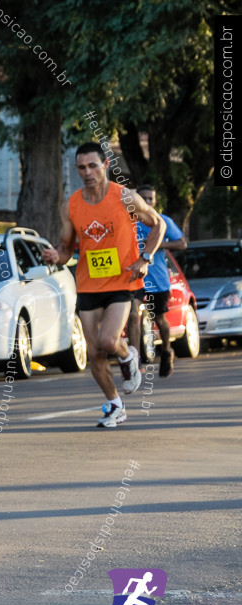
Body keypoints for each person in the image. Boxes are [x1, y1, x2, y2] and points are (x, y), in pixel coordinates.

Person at [42, 142, 165, 428]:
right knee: (94, 351)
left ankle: (129, 356)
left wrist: (145, 258)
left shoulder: (125, 197)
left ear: (105, 165)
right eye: (81, 168)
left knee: (109, 341)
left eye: (93, 166)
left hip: (122, 280)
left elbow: (157, 224)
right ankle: (115, 405)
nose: (87, 172)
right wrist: (54, 256)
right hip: (87, 285)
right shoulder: (71, 205)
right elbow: (65, 250)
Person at [125, 185, 187, 377]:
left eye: (151, 199)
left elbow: (182, 243)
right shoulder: (128, 221)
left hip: (157, 279)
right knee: (133, 315)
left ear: (155, 201)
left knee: (159, 318)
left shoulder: (162, 221)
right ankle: (136, 359)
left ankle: (167, 350)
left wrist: (158, 244)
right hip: (134, 277)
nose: (148, 202)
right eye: (144, 198)